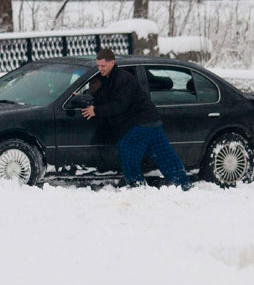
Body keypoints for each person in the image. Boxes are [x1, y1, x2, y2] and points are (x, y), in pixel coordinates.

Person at [81, 48, 192, 190]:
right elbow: (104, 95)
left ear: (112, 63)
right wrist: (86, 96)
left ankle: (137, 187)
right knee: (164, 155)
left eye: (103, 65)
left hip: (141, 122)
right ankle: (183, 184)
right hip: (149, 121)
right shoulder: (108, 78)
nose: (100, 68)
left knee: (128, 153)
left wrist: (95, 111)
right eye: (98, 65)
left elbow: (119, 105)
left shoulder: (124, 79)